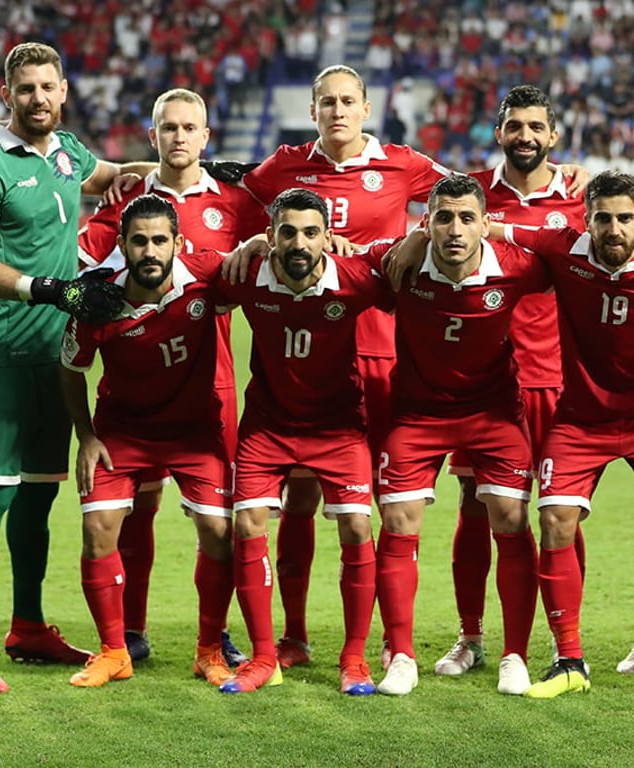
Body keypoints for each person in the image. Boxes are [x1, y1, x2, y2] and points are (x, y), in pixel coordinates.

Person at [239, 65, 451, 669]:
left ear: (366, 109)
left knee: (384, 506)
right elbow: (236, 202)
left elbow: (464, 193)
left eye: (348, 102)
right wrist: (255, 241)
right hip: (302, 352)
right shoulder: (283, 167)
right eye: (326, 102)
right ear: (313, 110)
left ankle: (391, 642)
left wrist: (406, 241)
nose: (337, 111)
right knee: (300, 502)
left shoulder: (402, 165)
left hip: (381, 353)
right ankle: (296, 635)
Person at [0, 41, 125, 693]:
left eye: (48, 87)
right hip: (3, 350)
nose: (39, 98)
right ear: (6, 95)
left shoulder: (68, 151)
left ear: (64, 90)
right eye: (26, 88)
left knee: (41, 492)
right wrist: (50, 289)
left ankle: (26, 625)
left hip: (58, 354)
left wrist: (177, 168)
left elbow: (107, 175)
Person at [506, 171, 634, 702]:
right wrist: (418, 234)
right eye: (603, 218)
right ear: (587, 220)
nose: (614, 228)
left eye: (626, 218)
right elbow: (496, 226)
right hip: (582, 418)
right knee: (554, 519)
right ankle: (568, 658)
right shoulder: (562, 248)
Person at [77, 88, 260, 666]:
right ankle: (130, 631)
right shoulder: (127, 198)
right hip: (134, 377)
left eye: (190, 127)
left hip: (211, 378)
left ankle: (217, 632)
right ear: (152, 136)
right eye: (168, 128)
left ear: (206, 137)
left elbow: (279, 238)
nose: (179, 137)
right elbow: (85, 266)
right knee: (139, 507)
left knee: (217, 519)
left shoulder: (234, 199)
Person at [369, 174, 550, 697]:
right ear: (426, 223)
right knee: (398, 519)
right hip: (418, 414)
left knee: (510, 519)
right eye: (442, 218)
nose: (454, 229)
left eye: (467, 218)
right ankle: (401, 655)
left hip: (493, 414)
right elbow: (335, 254)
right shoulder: (399, 264)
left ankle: (514, 654)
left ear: (485, 226)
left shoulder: (515, 267)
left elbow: (571, 254)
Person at [434, 85, 587, 679]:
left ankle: (560, 640)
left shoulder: (578, 199)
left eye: (535, 127)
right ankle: (470, 637)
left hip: (553, 378)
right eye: (513, 126)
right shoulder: (466, 195)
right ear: (498, 133)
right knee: (475, 507)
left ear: (553, 135)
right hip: (482, 380)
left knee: (559, 512)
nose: (524, 136)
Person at [216, 188, 390, 696]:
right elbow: (187, 265)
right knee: (246, 522)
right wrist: (240, 246)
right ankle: (263, 657)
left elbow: (406, 265)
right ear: (270, 238)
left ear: (327, 238)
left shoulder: (354, 280)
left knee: (358, 526)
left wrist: (377, 250)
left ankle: (354, 659)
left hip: (337, 427)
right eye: (287, 231)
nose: (299, 242)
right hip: (268, 426)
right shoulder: (246, 275)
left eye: (311, 232)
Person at [59, 195, 236, 688]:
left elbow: (262, 272)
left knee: (221, 534)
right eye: (140, 241)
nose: (151, 250)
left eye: (161, 240)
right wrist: (86, 436)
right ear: (123, 246)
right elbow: (71, 368)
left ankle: (208, 650)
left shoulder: (206, 277)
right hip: (122, 432)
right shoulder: (98, 302)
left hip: (195, 433)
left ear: (179, 243)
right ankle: (114, 651)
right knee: (98, 529)